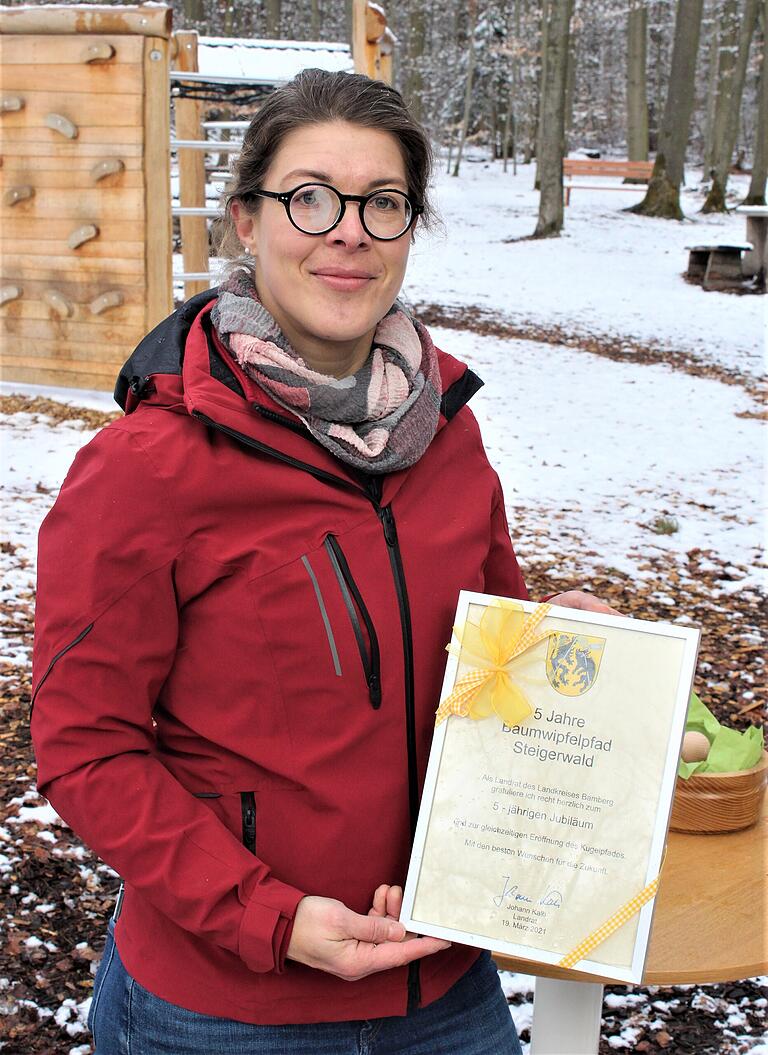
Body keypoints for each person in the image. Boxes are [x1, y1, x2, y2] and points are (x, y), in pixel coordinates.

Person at [31, 69, 615, 1055]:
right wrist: (265, 914)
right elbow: (85, 742)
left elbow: (492, 658)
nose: (349, 230)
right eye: (311, 197)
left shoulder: (448, 438)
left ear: (407, 232)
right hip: (221, 1008)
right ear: (246, 224)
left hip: (443, 985)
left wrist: (558, 646)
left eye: (383, 203)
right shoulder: (150, 466)